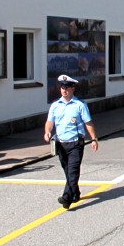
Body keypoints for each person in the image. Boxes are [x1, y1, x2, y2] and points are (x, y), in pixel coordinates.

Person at [43, 74, 98, 210]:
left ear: (73, 88)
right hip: (61, 144)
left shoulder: (80, 105)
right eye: (63, 88)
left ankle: (66, 198)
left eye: (67, 88)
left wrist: (93, 138)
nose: (65, 90)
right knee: (68, 171)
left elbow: (88, 122)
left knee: (73, 172)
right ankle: (76, 193)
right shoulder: (55, 106)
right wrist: (47, 131)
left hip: (75, 143)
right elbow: (50, 122)